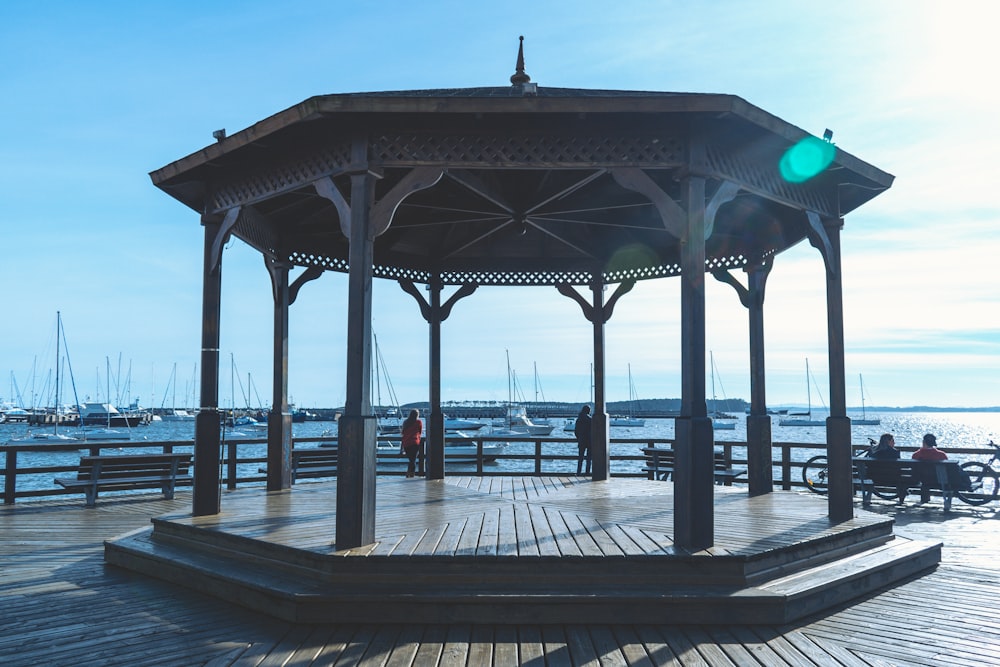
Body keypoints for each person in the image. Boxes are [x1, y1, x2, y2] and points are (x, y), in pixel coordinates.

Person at [867, 433, 906, 504]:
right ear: (888, 442)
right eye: (893, 440)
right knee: (902, 478)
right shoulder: (895, 453)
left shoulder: (874, 452)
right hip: (893, 479)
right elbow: (899, 468)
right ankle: (901, 500)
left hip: (875, 479)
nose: (894, 442)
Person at [912, 433, 947, 503]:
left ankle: (924, 500)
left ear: (924, 442)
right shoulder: (942, 455)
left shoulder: (916, 455)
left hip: (921, 480)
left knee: (925, 480)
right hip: (938, 480)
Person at [400, 409, 423, 478]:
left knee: (411, 460)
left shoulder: (406, 422)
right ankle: (411, 475)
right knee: (413, 460)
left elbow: (403, 433)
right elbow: (420, 432)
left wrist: (402, 448)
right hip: (414, 442)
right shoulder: (418, 422)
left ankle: (409, 474)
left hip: (406, 443)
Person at [574, 405, 592, 475]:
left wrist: (579, 438)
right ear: (588, 410)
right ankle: (587, 472)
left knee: (580, 457)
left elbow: (576, 431)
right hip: (589, 440)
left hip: (581, 440)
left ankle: (578, 472)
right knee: (589, 458)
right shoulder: (590, 419)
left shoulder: (579, 419)